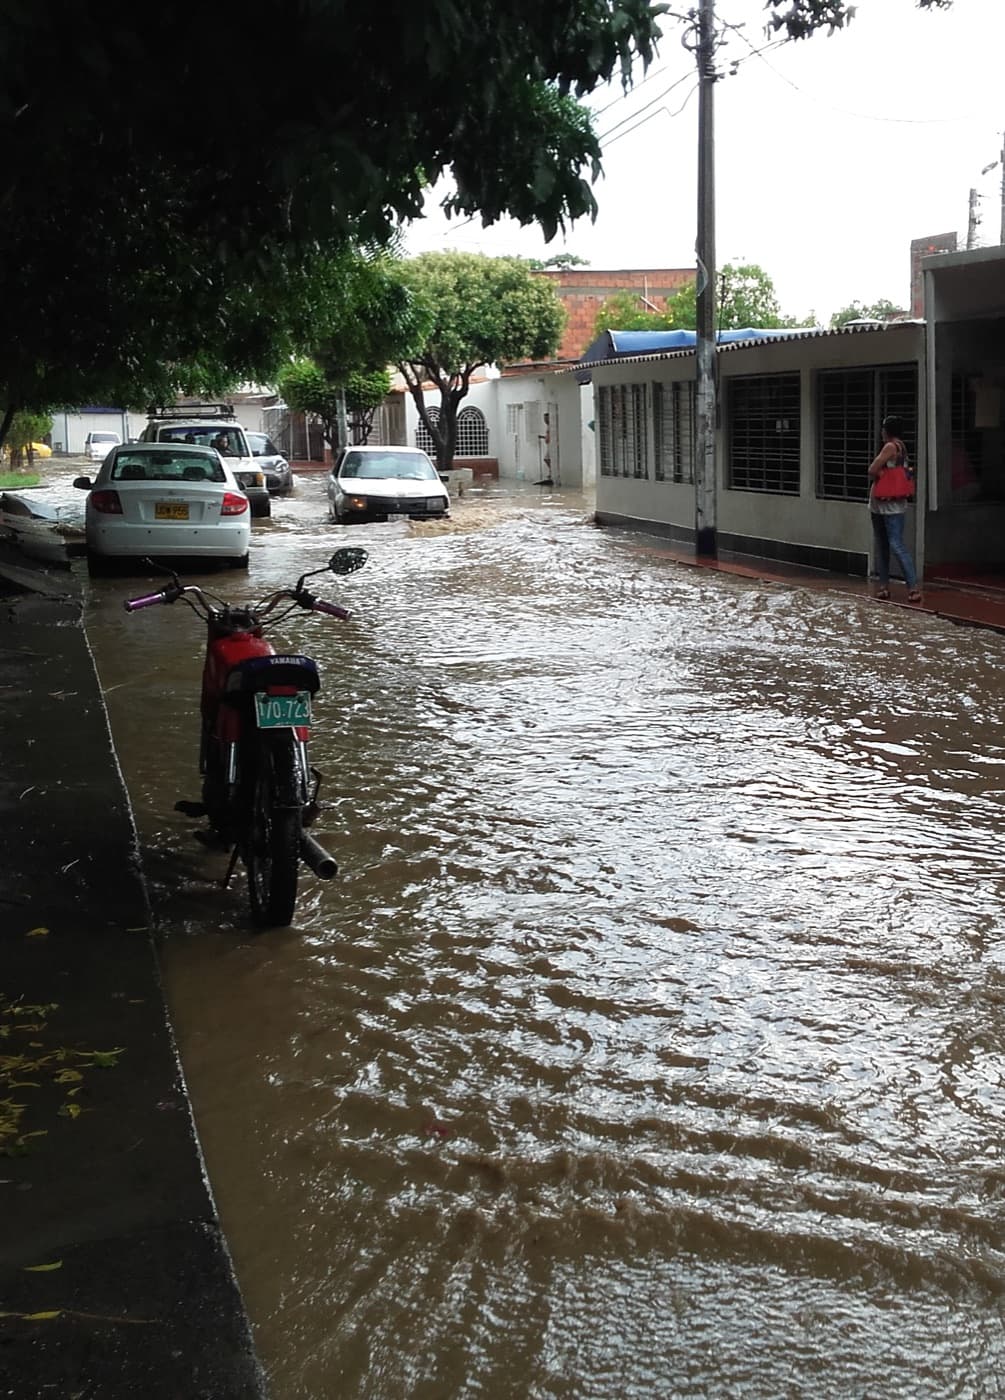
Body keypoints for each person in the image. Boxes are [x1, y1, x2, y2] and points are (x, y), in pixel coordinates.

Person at [868, 415, 921, 604]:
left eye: (883, 429)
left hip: (883, 504)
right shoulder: (902, 447)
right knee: (891, 544)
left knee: (890, 545)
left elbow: (872, 470)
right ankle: (897, 587)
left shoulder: (890, 446)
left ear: (886, 430)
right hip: (896, 504)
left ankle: (908, 587)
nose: (881, 432)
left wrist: (881, 475)